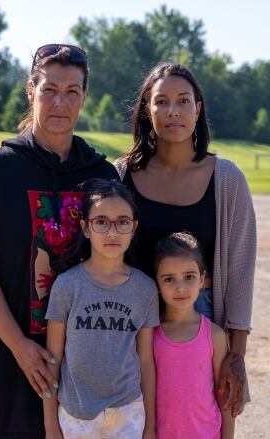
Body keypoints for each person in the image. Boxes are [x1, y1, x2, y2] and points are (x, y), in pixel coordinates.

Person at [0, 44, 118, 438]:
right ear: (31, 91)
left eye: (72, 91)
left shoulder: (103, 175)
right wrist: (20, 347)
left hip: (78, 356)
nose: (61, 101)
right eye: (49, 89)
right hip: (2, 349)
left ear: (84, 96)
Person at [114, 62, 256, 417]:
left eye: (183, 100)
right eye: (161, 101)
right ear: (148, 109)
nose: (173, 110)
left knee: (195, 419)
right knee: (137, 421)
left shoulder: (227, 180)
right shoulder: (119, 175)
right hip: (133, 319)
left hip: (200, 317)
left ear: (198, 108)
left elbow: (240, 272)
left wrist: (236, 356)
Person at [43, 179, 158, 439]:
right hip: (76, 415)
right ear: (85, 227)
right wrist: (51, 427)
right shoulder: (67, 285)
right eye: (101, 221)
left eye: (123, 222)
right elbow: (53, 360)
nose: (112, 232)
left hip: (128, 412)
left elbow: (147, 362)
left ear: (134, 227)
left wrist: (150, 426)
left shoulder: (145, 289)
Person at [152, 232, 235, 439]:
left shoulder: (214, 335)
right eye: (169, 279)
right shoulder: (150, 334)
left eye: (189, 277)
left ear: (202, 279)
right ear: (157, 283)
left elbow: (224, 397)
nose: (180, 287)